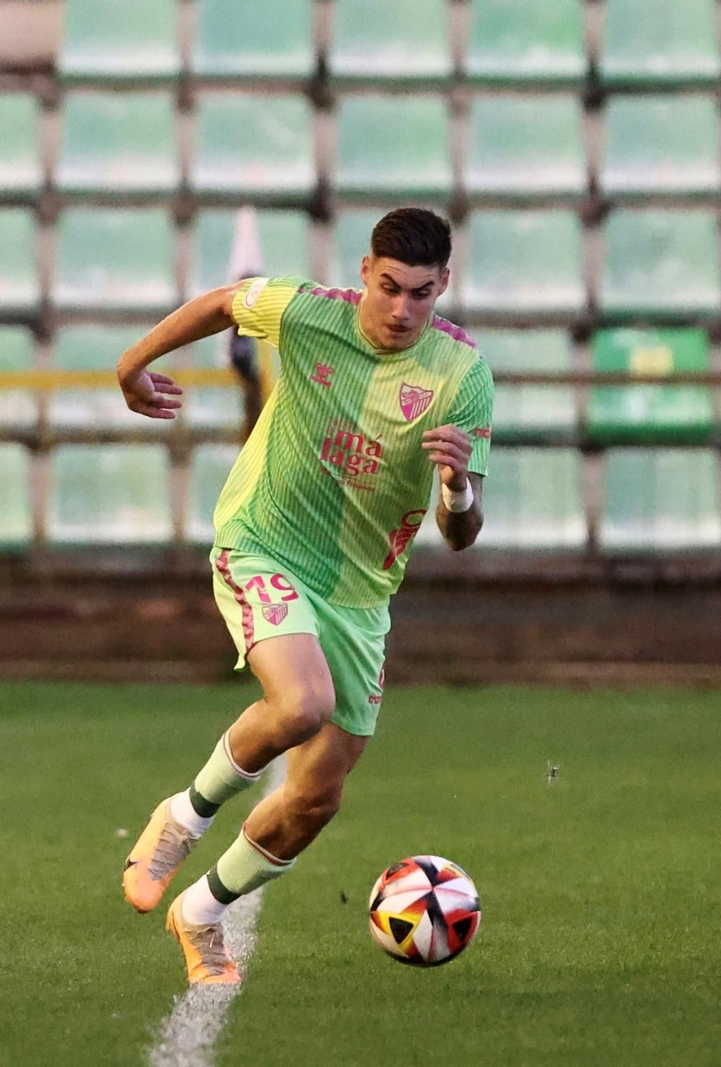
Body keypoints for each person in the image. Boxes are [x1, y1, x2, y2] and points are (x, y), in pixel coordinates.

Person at [117, 208, 495, 984]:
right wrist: (133, 364)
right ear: (364, 272)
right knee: (300, 704)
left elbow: (461, 535)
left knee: (316, 797)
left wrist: (456, 486)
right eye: (388, 287)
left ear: (443, 287)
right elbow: (223, 303)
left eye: (420, 294)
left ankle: (203, 912)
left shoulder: (463, 376)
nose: (400, 309)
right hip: (265, 543)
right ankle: (181, 817)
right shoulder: (308, 313)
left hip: (360, 595)